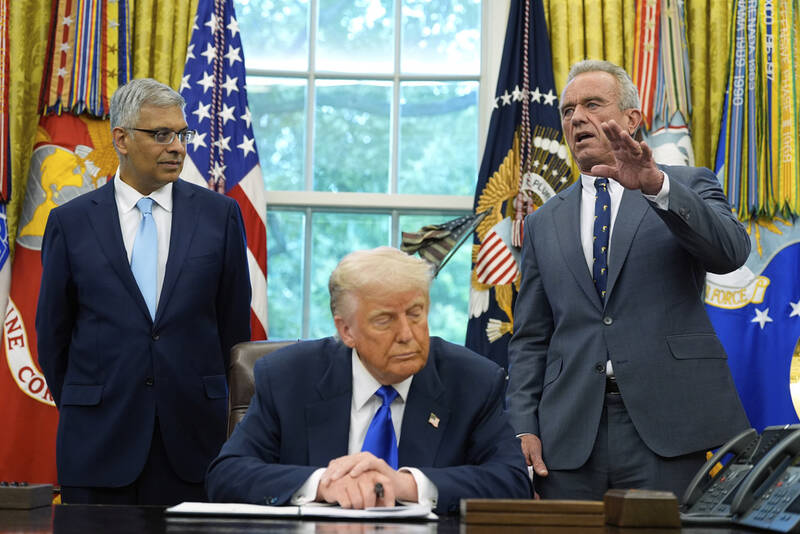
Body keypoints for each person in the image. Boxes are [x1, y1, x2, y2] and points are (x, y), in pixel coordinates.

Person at [507, 59, 751, 500]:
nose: (576, 117)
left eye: (592, 105)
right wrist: (523, 422)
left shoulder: (685, 184)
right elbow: (531, 336)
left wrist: (656, 187)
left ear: (631, 119)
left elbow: (730, 254)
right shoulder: (544, 222)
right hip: (570, 433)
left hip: (670, 425)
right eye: (567, 111)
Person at [36, 78, 252, 505]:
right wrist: (93, 401)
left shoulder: (220, 216)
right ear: (121, 139)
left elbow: (233, 332)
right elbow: (53, 339)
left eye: (182, 134)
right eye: (161, 135)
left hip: (193, 444)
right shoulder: (71, 223)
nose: (177, 147)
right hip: (98, 443)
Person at [206, 246, 531, 514]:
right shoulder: (289, 377)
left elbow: (512, 482)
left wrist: (404, 484)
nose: (407, 335)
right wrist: (324, 484)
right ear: (346, 330)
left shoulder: (472, 380)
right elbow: (227, 474)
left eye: (416, 313)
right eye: (384, 320)